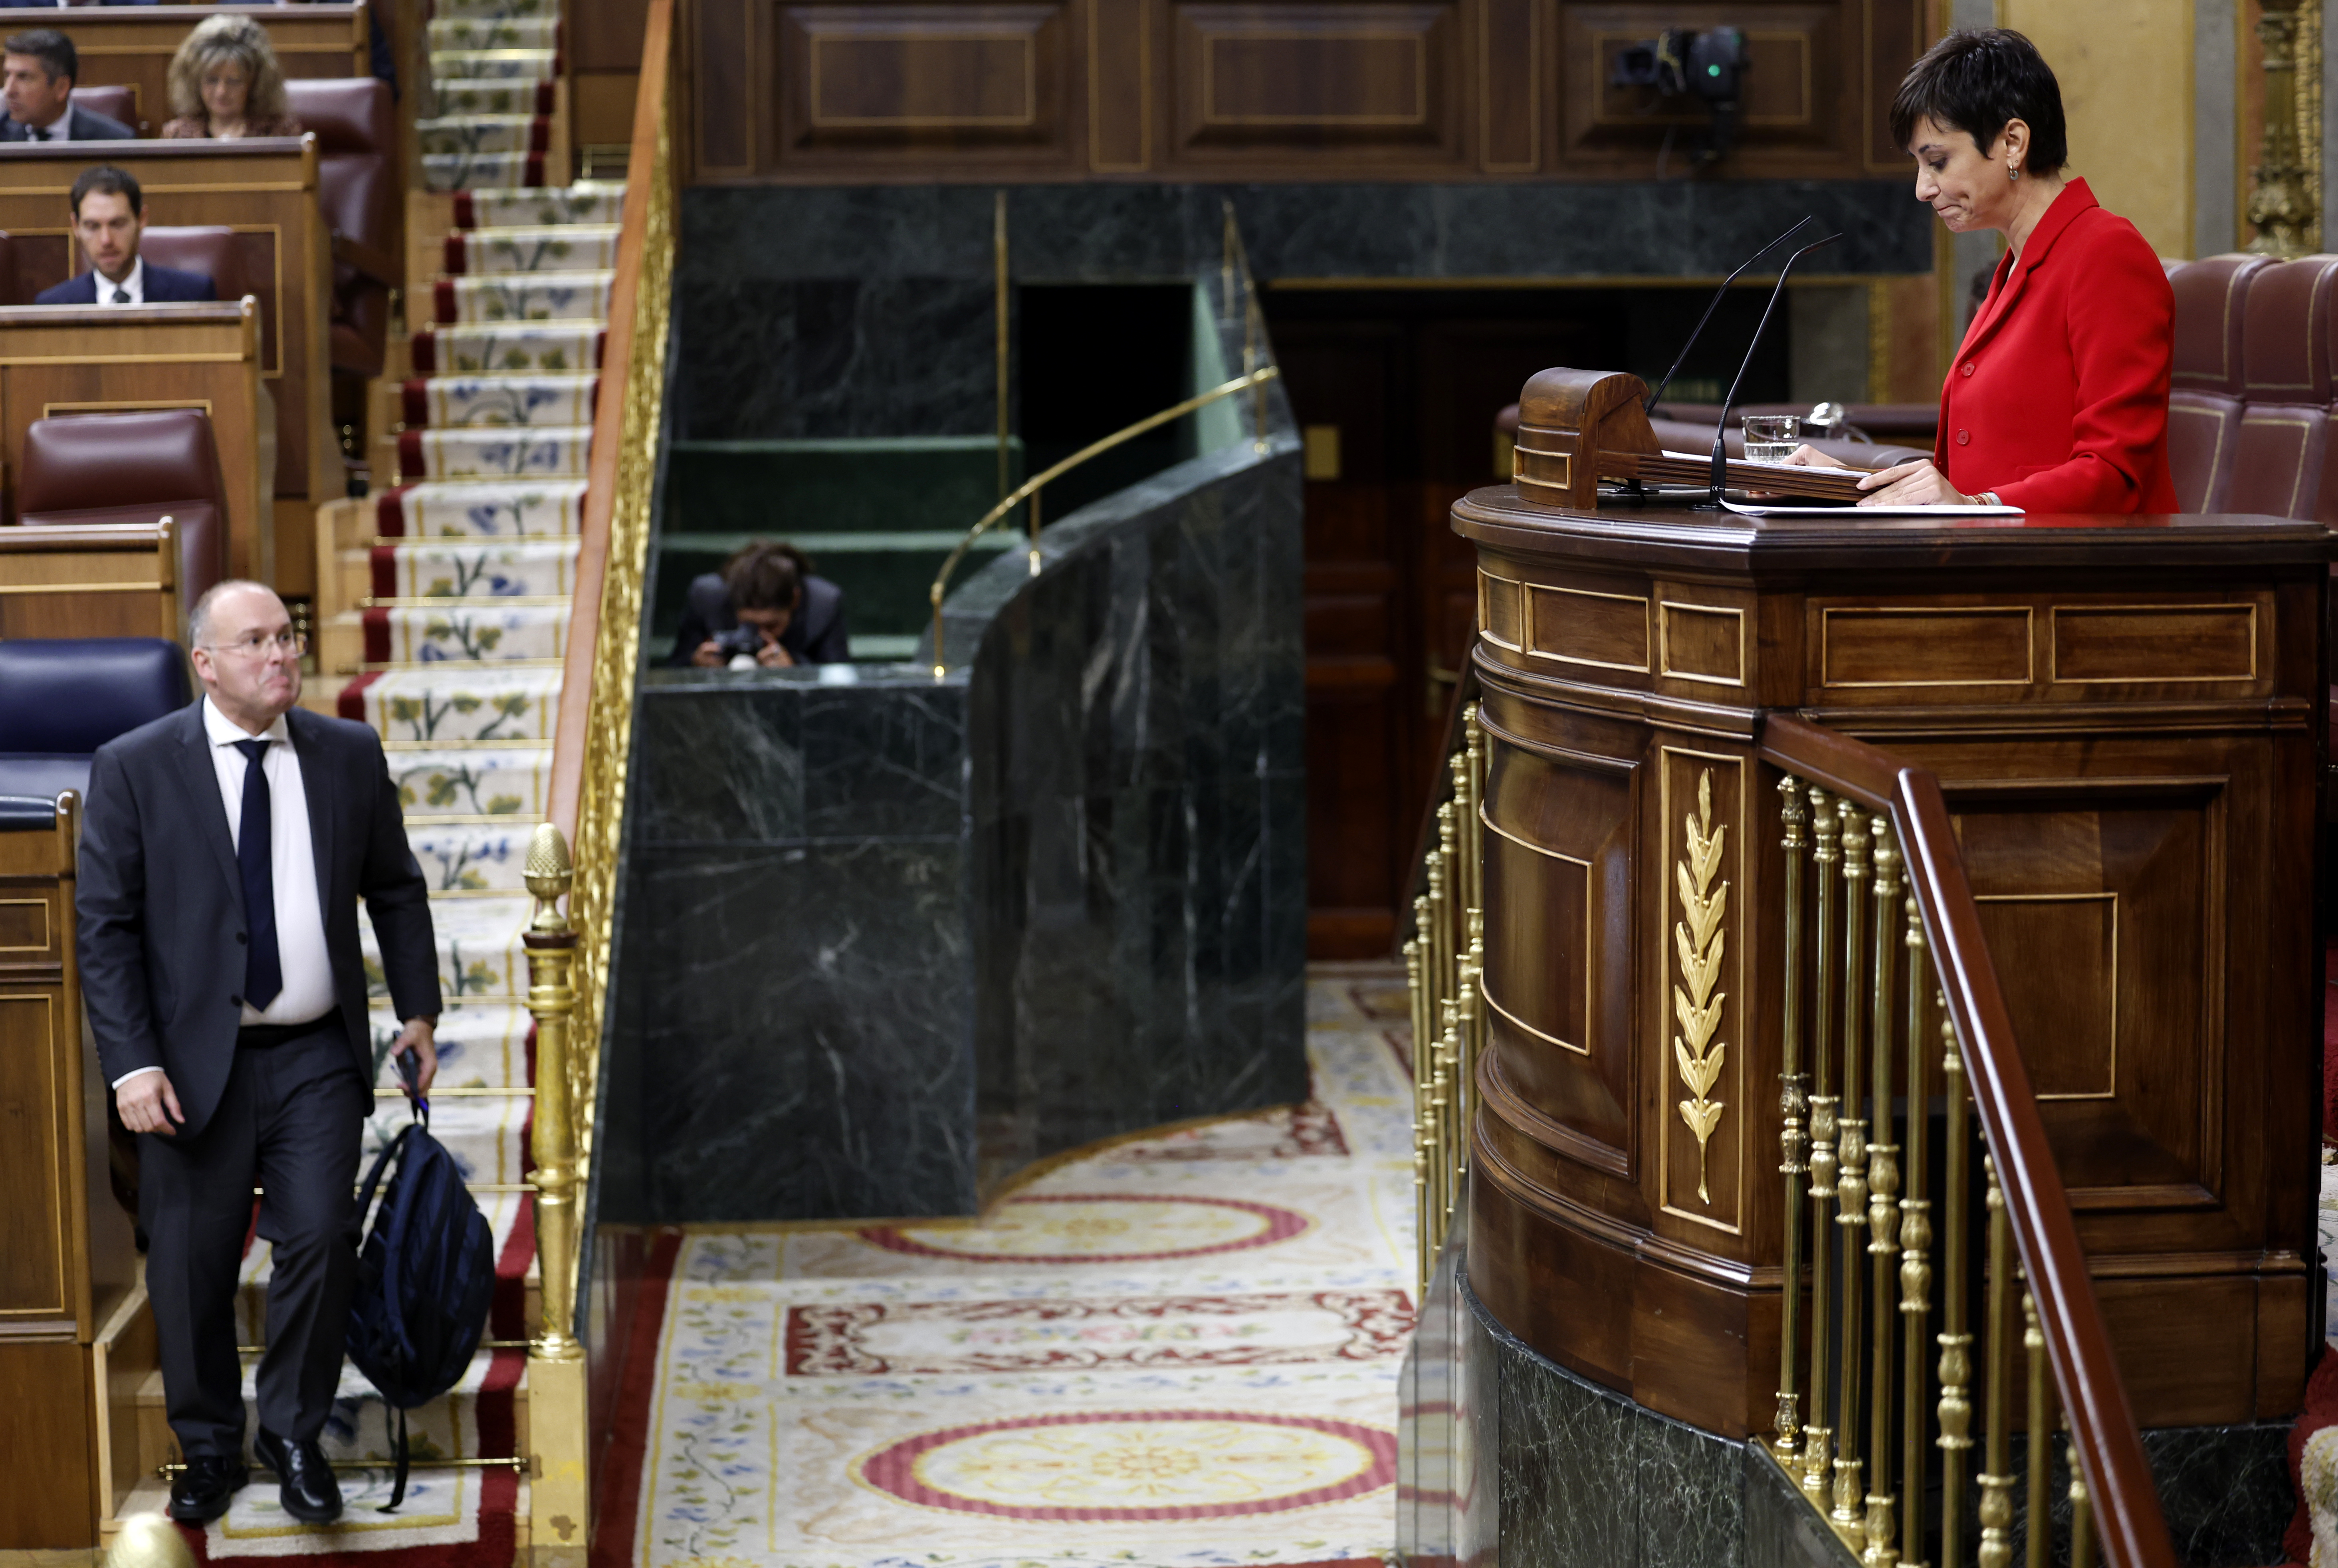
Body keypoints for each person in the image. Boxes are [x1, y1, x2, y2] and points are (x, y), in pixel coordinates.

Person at [77, 580, 442, 1527]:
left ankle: (291, 1430)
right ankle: (205, 1447)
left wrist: (416, 1014)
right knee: (190, 1265)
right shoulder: (136, 766)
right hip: (191, 1065)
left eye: (287, 637)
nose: (280, 655)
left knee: (320, 1235)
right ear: (205, 663)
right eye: (255, 643)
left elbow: (396, 889)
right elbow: (105, 930)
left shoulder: (348, 755)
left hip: (316, 1052)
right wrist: (131, 1064)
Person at [1786, 28, 2181, 513]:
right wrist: (1846, 484)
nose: (1922, 190)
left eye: (1937, 162)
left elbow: (2116, 474)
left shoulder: (2107, 254)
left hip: (2089, 577)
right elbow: (1967, 484)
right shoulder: (2014, 266)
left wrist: (1977, 506)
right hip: (2000, 567)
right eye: (1918, 166)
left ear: (2013, 142)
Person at [36, 165, 219, 305]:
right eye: (93, 227)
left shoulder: (194, 296)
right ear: (76, 227)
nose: (106, 240)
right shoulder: (53, 306)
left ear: (142, 219)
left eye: (117, 224)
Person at [669, 539, 852, 668]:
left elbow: (838, 680)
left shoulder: (823, 605)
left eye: (772, 625)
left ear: (795, 600)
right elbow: (675, 668)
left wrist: (796, 671)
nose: (760, 634)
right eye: (750, 625)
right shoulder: (706, 598)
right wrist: (695, 664)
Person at [161, 15, 300, 140]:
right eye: (212, 80)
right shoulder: (177, 135)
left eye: (234, 81)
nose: (221, 92)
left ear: (255, 82)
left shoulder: (279, 132)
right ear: (195, 81)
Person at [0, 29, 133, 140]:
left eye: (24, 78)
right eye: (7, 75)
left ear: (61, 88)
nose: (9, 90)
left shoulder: (113, 141)